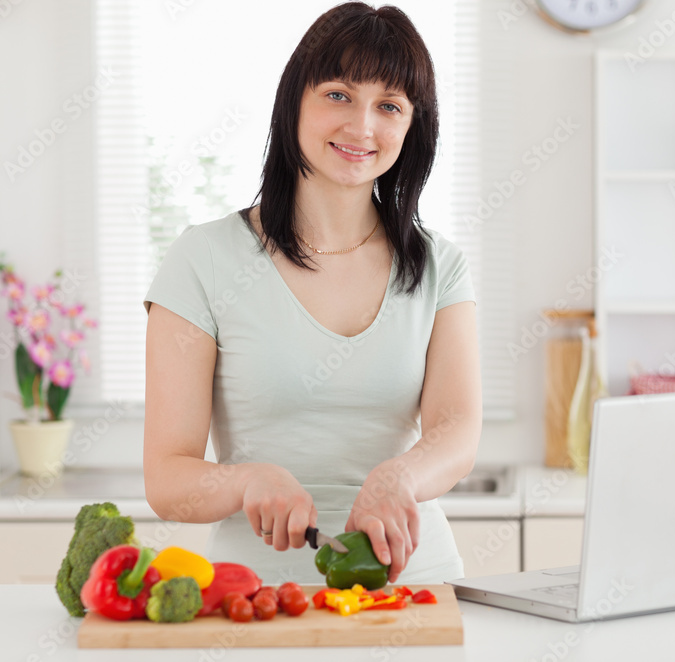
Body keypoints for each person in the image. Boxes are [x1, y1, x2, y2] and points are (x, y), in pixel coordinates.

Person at [141, 2, 481, 585]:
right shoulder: (203, 259)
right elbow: (167, 479)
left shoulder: (439, 266)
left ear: (411, 127)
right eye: (338, 95)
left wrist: (397, 476)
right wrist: (246, 480)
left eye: (389, 106)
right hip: (257, 597)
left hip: (416, 589)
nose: (362, 127)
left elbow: (457, 430)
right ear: (293, 100)